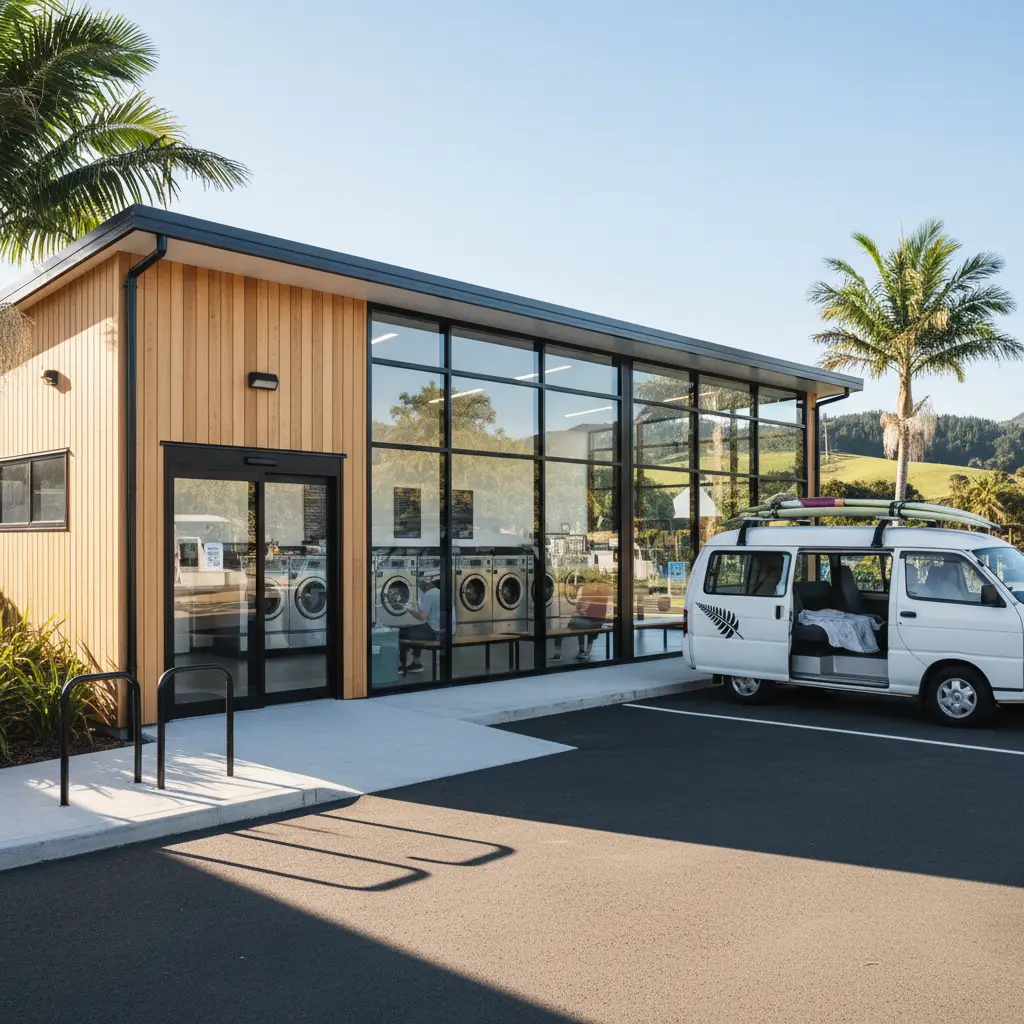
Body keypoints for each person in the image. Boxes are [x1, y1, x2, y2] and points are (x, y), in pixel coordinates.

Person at [399, 576, 455, 675]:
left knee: (401, 633)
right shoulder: (444, 594)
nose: (421, 593)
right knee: (417, 632)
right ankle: (416, 663)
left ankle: (401, 666)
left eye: (420, 589)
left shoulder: (429, 595)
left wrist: (408, 609)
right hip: (450, 631)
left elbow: (421, 616)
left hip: (436, 633)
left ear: (425, 587)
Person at [554, 577, 612, 662]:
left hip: (589, 622)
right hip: (597, 622)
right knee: (581, 628)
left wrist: (579, 610)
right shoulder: (603, 597)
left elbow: (581, 609)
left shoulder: (589, 595)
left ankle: (558, 655)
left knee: (570, 626)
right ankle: (585, 652)